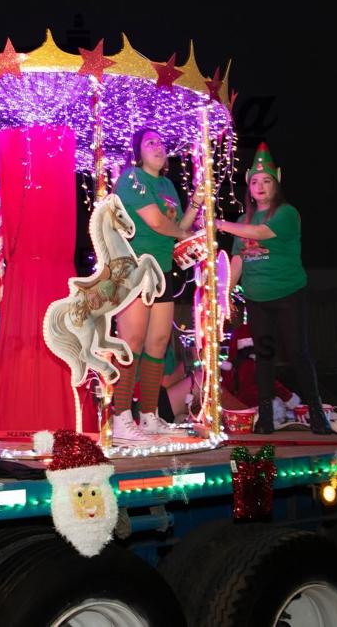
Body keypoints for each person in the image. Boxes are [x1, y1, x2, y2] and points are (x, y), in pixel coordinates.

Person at [216, 143, 333, 435]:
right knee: (263, 358)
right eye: (255, 181)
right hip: (257, 299)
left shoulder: (287, 213)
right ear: (248, 185)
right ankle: (265, 418)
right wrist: (224, 293)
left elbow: (260, 234)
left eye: (266, 180)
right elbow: (238, 259)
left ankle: (318, 414)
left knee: (298, 353)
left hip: (288, 295)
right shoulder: (243, 220)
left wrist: (218, 223)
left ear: (276, 183)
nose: (260, 186)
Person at [108, 128, 201, 442]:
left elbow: (179, 228)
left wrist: (195, 207)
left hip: (161, 271)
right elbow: (158, 223)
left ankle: (149, 415)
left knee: (158, 342)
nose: (158, 146)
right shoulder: (132, 178)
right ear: (138, 151)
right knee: (131, 341)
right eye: (150, 142)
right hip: (134, 269)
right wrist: (184, 234)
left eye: (162, 142)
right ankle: (121, 417)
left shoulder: (167, 186)